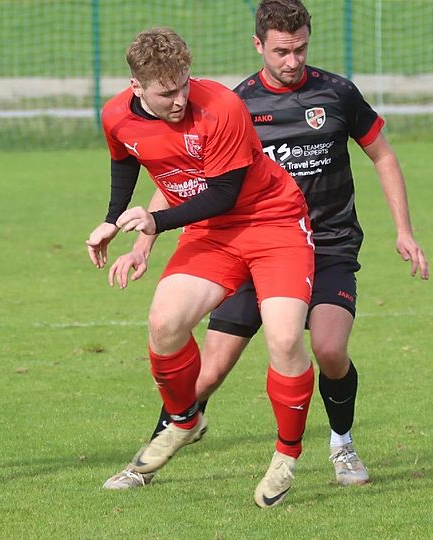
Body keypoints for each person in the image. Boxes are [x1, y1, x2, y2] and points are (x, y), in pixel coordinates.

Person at [103, 0, 428, 490]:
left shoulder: (337, 93)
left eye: (300, 49)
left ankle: (341, 444)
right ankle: (154, 453)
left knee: (327, 348)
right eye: (281, 51)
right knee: (205, 371)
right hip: (237, 237)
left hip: (325, 242)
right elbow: (183, 175)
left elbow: (382, 155)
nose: (292, 60)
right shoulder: (237, 103)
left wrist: (403, 230)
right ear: (258, 45)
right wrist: (142, 242)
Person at [86, 27, 316, 508]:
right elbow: (126, 158)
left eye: (183, 86)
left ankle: (286, 454)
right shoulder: (114, 115)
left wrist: (154, 222)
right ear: (136, 87)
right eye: (166, 93)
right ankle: (185, 420)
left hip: (272, 222)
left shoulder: (222, 107)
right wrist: (112, 219)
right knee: (164, 322)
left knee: (284, 339)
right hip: (212, 234)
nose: (178, 100)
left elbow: (224, 194)